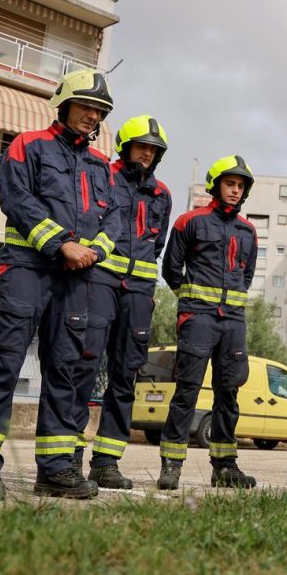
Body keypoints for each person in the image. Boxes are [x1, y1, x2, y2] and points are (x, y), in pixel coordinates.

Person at [0, 69, 117, 501]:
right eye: (87, 106)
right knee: (4, 365)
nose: (93, 115)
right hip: (26, 271)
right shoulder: (28, 145)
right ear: (65, 103)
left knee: (65, 372)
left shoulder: (101, 165)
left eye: (100, 110)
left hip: (77, 279)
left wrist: (94, 252)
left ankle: (54, 469)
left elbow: (114, 220)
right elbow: (16, 200)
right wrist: (62, 244)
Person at [72, 115, 172, 489]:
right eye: (141, 146)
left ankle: (107, 461)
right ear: (125, 147)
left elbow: (156, 246)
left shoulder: (162, 194)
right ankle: (70, 452)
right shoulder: (105, 177)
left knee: (126, 375)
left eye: (154, 149)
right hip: (100, 280)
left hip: (140, 291)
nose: (147, 153)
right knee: (84, 363)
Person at [157, 156, 259, 491]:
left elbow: (246, 275)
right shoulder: (190, 222)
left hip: (233, 323)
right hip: (198, 319)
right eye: (230, 183)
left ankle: (225, 467)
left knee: (228, 393)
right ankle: (171, 466)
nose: (235, 190)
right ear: (216, 185)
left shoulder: (248, 231)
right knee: (187, 391)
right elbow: (172, 269)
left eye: (240, 186)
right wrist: (191, 302)